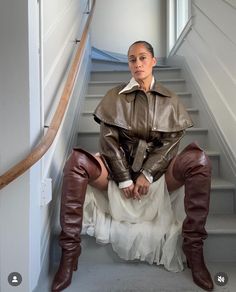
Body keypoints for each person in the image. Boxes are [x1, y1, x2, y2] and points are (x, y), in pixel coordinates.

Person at [51, 41, 214, 291]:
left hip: (158, 177)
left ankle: (194, 250)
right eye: (131, 59)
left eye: (142, 58)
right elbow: (108, 142)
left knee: (199, 160)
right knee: (76, 161)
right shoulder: (114, 96)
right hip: (117, 173)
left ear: (153, 61)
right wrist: (125, 177)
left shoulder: (170, 99)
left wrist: (147, 174)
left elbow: (171, 144)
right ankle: (69, 254)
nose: (137, 64)